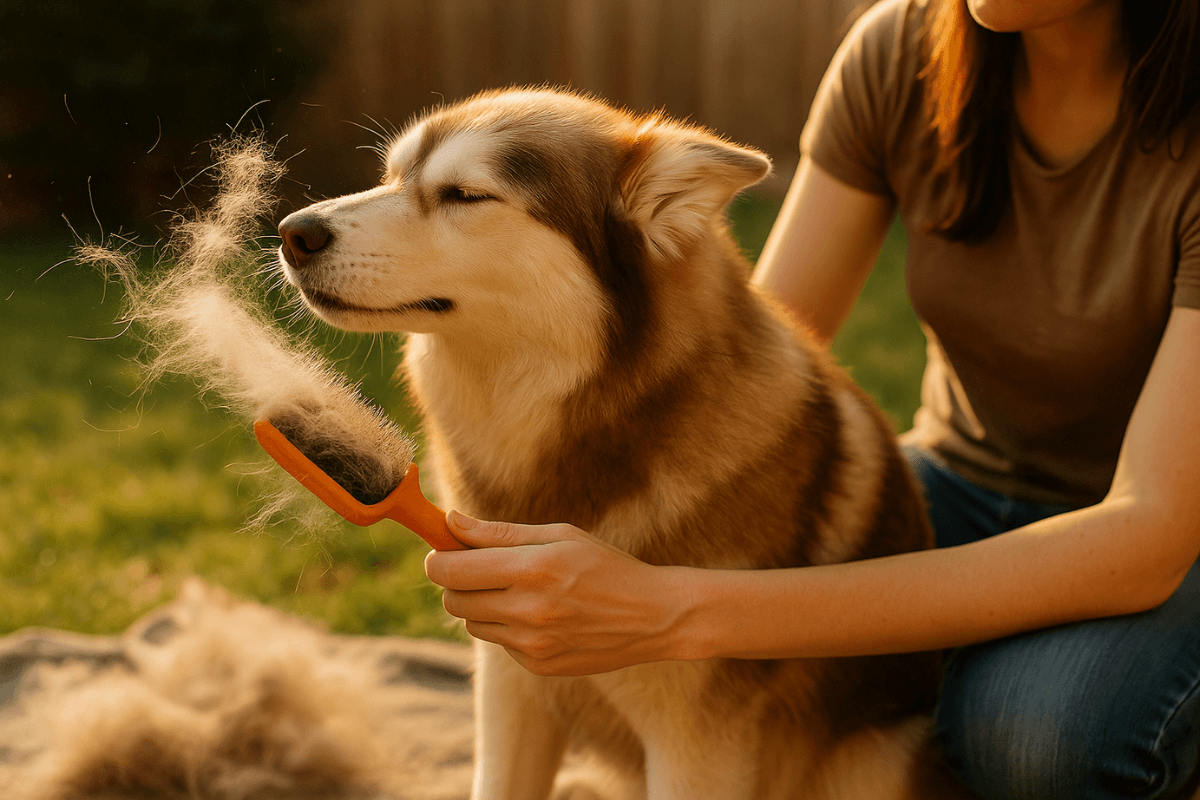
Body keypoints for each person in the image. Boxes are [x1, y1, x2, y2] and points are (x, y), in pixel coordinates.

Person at [423, 0, 1200, 797]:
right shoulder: (908, 47)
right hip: (959, 482)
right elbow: (752, 377)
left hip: (1163, 538)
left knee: (1033, 739)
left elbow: (1148, 538)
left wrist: (677, 610)